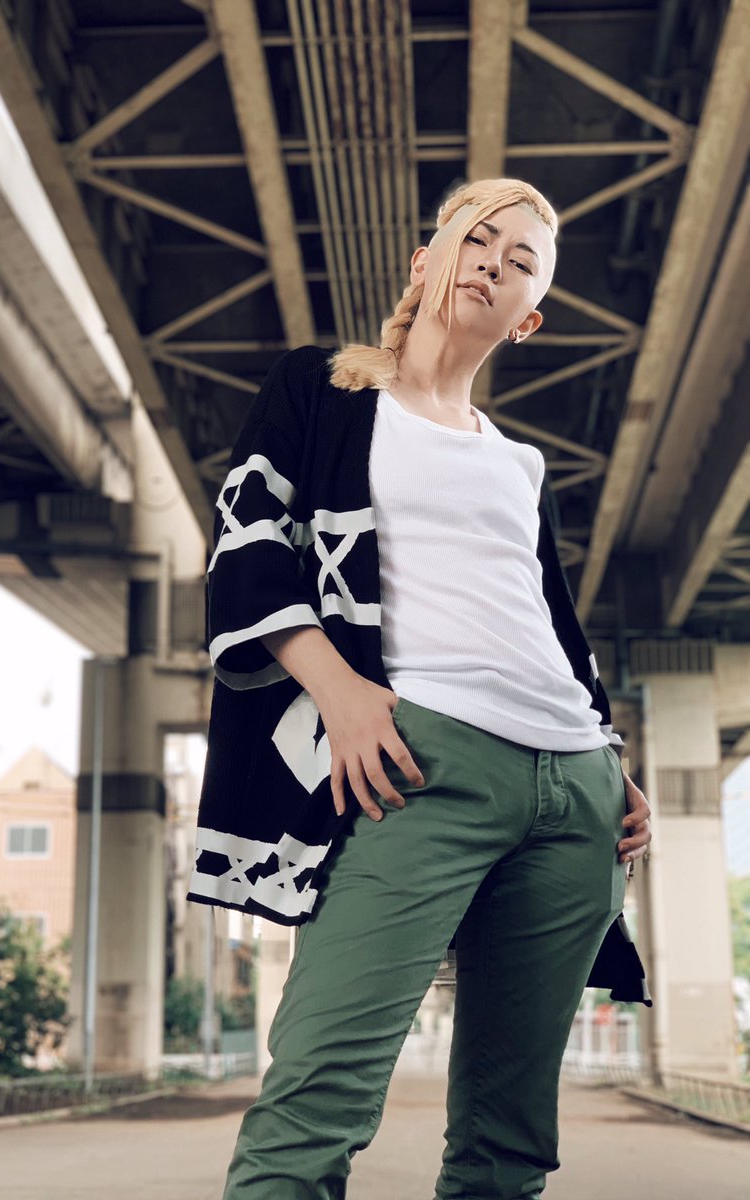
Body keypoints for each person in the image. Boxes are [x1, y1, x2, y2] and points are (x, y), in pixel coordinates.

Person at [188, 177, 653, 1200]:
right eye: (478, 238)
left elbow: (549, 621)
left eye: (521, 261)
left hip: (576, 794)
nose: (493, 261)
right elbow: (245, 541)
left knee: (507, 1142)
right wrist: (339, 691)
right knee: (314, 1101)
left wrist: (610, 756)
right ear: (425, 260)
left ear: (528, 318)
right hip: (415, 761)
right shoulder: (322, 391)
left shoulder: (520, 463)